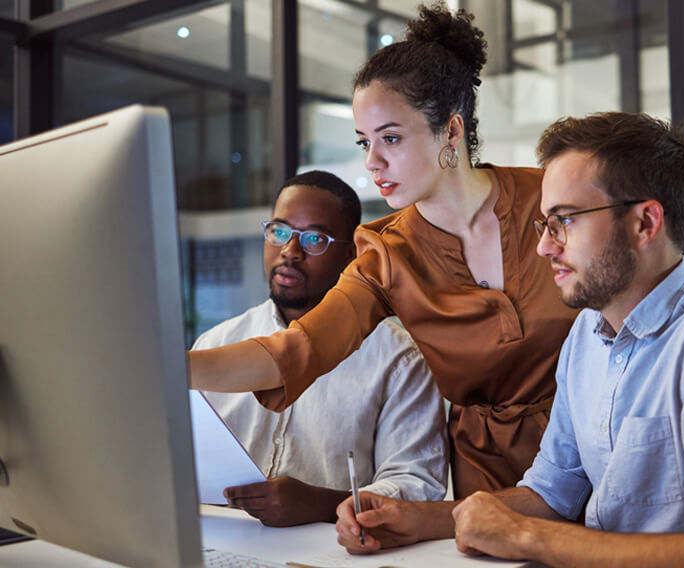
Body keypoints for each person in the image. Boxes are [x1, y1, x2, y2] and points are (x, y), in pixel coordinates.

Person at [336, 112, 684, 568]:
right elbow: (551, 492)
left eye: (566, 219)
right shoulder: (587, 333)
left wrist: (525, 537)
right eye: (545, 222)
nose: (544, 246)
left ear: (645, 223)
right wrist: (416, 519)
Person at [188, 2, 578, 498]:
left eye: (390, 138)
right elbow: (295, 350)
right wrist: (170, 366)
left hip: (592, 448)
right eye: (363, 143)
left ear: (452, 131)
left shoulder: (552, 200)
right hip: (486, 479)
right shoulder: (385, 253)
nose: (372, 162)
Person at [195, 170, 448, 526]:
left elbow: (418, 484)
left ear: (350, 255)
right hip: (220, 540)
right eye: (279, 231)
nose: (290, 251)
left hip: (335, 550)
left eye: (314, 239)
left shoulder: (399, 358)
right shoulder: (218, 343)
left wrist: (322, 504)